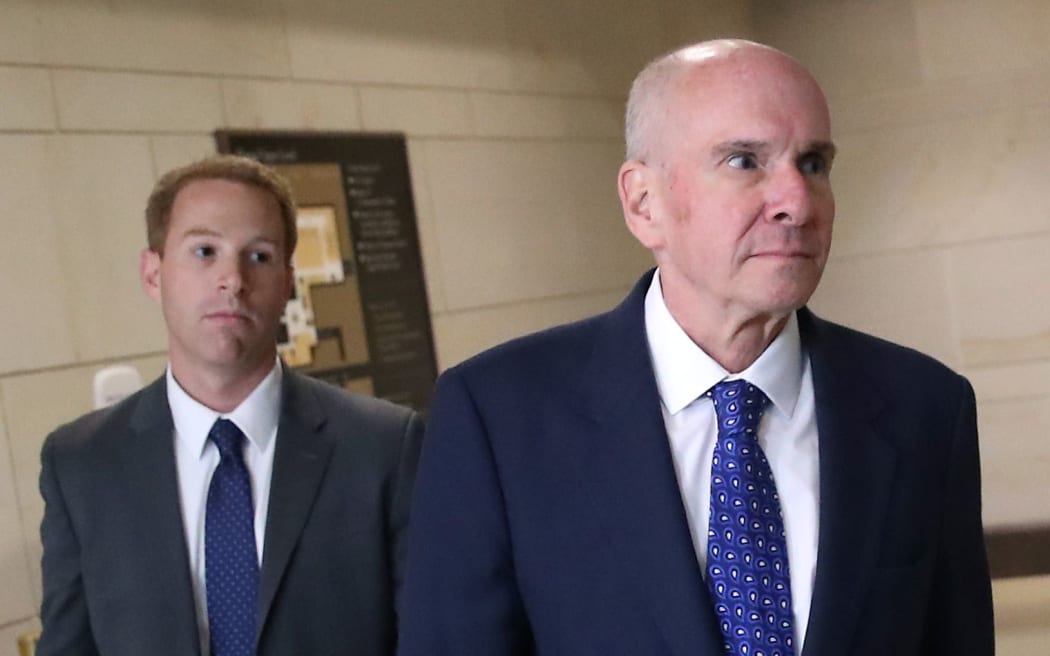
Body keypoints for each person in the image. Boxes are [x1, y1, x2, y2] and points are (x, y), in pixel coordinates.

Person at [398, 39, 994, 656]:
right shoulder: (499, 417)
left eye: (813, 163)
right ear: (643, 203)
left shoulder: (926, 407)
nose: (796, 201)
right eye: (744, 161)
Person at [38, 155, 424, 656]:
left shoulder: (383, 448)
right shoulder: (82, 464)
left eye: (259, 256)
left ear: (287, 282)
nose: (233, 280)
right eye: (204, 251)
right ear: (153, 275)